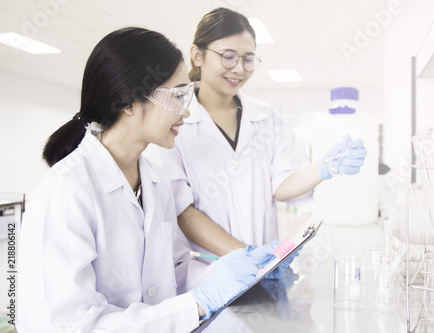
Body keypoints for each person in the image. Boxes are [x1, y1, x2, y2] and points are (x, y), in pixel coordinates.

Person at [18, 27, 280, 332]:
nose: (187, 109)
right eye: (178, 94)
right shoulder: (66, 191)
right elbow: (71, 324)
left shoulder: (155, 180)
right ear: (129, 102)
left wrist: (237, 269)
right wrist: (198, 302)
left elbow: (174, 270)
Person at [143, 8, 367, 259]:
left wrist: (324, 167)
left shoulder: (267, 118)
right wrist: (247, 257)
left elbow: (281, 186)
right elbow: (183, 211)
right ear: (197, 55)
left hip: (261, 267)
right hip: (205, 273)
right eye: (228, 57)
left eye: (248, 59)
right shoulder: (174, 120)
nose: (239, 68)